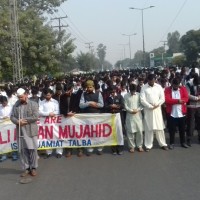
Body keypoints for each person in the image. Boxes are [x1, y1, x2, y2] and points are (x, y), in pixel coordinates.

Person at [10, 88, 39, 177]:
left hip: (30, 130)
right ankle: (26, 168)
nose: (20, 99)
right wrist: (17, 122)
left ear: (26, 94)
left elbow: (35, 116)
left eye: (21, 97)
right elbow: (12, 116)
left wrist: (24, 120)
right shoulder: (16, 105)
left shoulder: (33, 104)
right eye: (19, 97)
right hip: (20, 131)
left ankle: (33, 168)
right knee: (22, 150)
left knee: (32, 150)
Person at [140, 74, 168, 151]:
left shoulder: (159, 87)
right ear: (148, 80)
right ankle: (148, 146)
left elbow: (162, 98)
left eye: (153, 81)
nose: (152, 82)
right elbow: (142, 100)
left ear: (155, 80)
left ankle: (163, 144)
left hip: (157, 109)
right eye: (150, 81)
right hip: (148, 110)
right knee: (149, 128)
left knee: (160, 128)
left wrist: (157, 104)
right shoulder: (144, 87)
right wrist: (150, 106)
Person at [79, 80, 104, 156]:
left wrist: (94, 104)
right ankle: (90, 149)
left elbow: (101, 105)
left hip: (97, 116)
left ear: (93, 87)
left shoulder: (98, 93)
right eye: (87, 87)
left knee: (98, 132)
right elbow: (81, 105)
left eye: (90, 87)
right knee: (89, 133)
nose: (89, 88)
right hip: (87, 116)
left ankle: (99, 148)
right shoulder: (83, 94)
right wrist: (89, 103)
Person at [165, 78, 189, 149]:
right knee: (171, 130)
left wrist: (181, 101)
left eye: (177, 86)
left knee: (182, 129)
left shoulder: (183, 89)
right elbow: (167, 99)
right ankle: (171, 143)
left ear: (179, 84)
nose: (176, 87)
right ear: (172, 84)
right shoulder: (167, 90)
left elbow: (186, 98)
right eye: (175, 86)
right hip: (172, 113)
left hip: (181, 113)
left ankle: (183, 142)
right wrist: (178, 101)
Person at [39, 88, 62, 158]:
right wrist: (48, 114)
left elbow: (57, 111)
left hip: (55, 122)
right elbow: (39, 112)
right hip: (45, 123)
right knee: (47, 137)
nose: (47, 97)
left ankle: (59, 152)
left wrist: (52, 114)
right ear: (44, 95)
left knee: (57, 136)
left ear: (51, 94)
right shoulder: (41, 102)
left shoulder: (55, 102)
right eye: (46, 95)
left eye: (49, 95)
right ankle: (49, 152)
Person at [104, 85, 125, 155]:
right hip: (111, 117)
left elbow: (122, 105)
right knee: (112, 133)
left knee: (119, 133)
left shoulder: (120, 96)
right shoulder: (107, 98)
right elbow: (105, 106)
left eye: (113, 92)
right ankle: (113, 149)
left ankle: (120, 149)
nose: (112, 93)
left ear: (115, 91)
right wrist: (110, 106)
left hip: (119, 117)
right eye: (111, 92)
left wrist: (116, 106)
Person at [124, 84, 144, 153]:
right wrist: (131, 111)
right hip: (130, 116)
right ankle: (132, 146)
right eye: (131, 91)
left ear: (136, 90)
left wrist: (137, 110)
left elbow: (141, 105)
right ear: (129, 90)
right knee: (130, 132)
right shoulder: (126, 96)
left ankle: (139, 146)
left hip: (138, 115)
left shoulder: (139, 95)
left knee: (140, 131)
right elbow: (125, 106)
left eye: (134, 91)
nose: (133, 92)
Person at [185, 75, 200, 145]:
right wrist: (195, 98)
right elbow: (187, 95)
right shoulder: (188, 84)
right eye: (196, 84)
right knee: (191, 123)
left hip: (199, 106)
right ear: (194, 81)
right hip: (191, 106)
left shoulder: (198, 83)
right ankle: (189, 139)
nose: (197, 85)